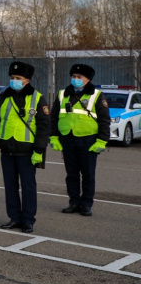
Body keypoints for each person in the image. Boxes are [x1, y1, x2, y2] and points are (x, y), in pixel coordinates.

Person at [0, 61, 51, 234]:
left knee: (28, 187)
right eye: (12, 77)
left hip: (27, 151)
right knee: (10, 186)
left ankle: (28, 220)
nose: (14, 80)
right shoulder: (3, 96)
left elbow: (44, 126)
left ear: (27, 80)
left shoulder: (37, 98)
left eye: (18, 78)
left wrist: (39, 150)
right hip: (7, 149)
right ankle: (14, 217)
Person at [50, 63, 110, 217]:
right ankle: (74, 202)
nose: (75, 79)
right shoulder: (63, 94)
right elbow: (54, 117)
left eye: (79, 77)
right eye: (73, 76)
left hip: (88, 140)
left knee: (88, 174)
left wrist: (102, 141)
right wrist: (54, 137)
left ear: (88, 79)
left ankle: (86, 204)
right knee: (71, 174)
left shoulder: (97, 95)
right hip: (68, 139)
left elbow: (104, 120)